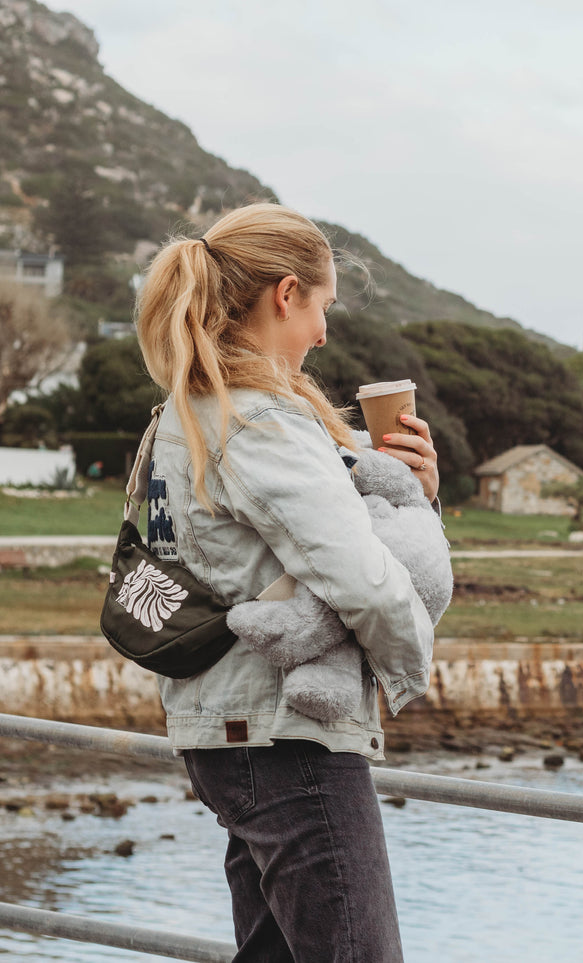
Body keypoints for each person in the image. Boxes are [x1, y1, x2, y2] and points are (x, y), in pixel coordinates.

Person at [134, 202, 441, 962]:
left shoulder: (193, 409)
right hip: (284, 735)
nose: (323, 333)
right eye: (322, 308)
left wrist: (417, 493)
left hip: (234, 727)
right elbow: (363, 578)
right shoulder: (259, 421)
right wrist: (411, 667)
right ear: (285, 293)